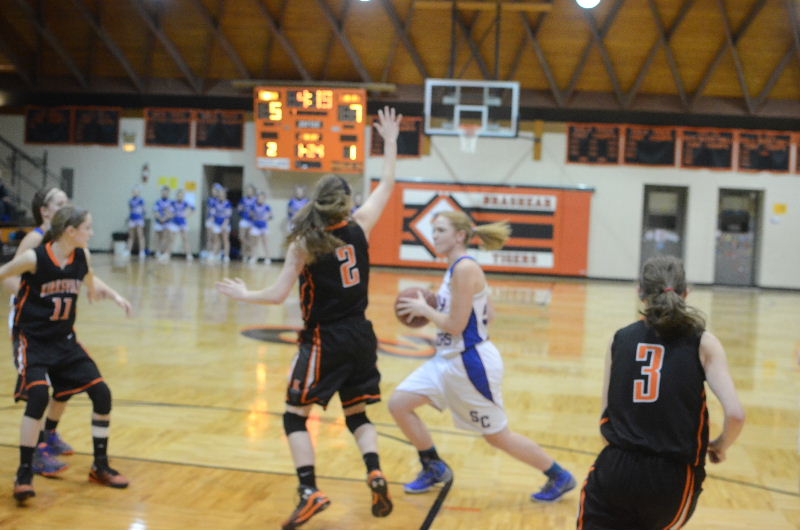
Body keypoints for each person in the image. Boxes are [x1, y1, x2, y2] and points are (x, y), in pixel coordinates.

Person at [216, 106, 402, 530]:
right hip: (362, 336)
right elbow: (388, 183)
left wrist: (244, 294)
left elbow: (278, 295)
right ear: (347, 202)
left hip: (325, 339)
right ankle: (374, 470)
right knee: (357, 414)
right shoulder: (361, 225)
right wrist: (389, 142)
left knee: (293, 415)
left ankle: (309, 490)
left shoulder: (304, 243)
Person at [391, 211, 576, 502]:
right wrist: (444, 308)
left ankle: (558, 475)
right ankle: (433, 466)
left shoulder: (465, 269)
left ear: (460, 236)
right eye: (434, 230)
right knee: (399, 404)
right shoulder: (456, 268)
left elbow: (455, 325)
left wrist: (426, 310)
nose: (434, 235)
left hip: (471, 364)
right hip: (446, 359)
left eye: (440, 230)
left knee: (497, 436)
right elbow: (489, 311)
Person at [576, 256, 745, 530]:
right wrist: (721, 445)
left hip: (616, 469)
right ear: (686, 292)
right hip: (673, 478)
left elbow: (605, 417)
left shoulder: (619, 338)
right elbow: (736, 414)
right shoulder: (704, 342)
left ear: (639, 292)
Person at [0, 206, 133, 502]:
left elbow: (90, 281)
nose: (92, 233)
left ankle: (100, 466)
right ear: (70, 231)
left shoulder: (82, 256)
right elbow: (3, 273)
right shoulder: (34, 258)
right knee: (38, 396)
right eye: (88, 228)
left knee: (102, 394)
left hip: (65, 340)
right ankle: (24, 472)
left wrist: (113, 295)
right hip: (33, 340)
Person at [169, 189, 196, 261]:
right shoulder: (173, 203)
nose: (180, 197)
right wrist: (171, 214)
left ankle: (189, 255)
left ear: (183, 196)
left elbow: (193, 209)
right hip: (174, 222)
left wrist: (187, 215)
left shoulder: (185, 203)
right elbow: (167, 209)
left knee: (185, 239)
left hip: (182, 222)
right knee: (171, 239)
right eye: (178, 195)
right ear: (176, 196)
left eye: (181, 195)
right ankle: (167, 254)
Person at [248, 190, 273, 265]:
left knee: (265, 243)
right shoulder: (253, 206)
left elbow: (271, 216)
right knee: (254, 243)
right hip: (255, 226)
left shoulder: (267, 206)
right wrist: (254, 219)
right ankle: (254, 257)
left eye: (261, 198)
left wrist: (267, 217)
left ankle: (268, 258)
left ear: (264, 198)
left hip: (263, 226)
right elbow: (250, 216)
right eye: (258, 198)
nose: (260, 199)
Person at [210, 187, 232, 263]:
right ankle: (215, 254)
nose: (221, 196)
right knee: (216, 239)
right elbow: (212, 215)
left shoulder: (228, 203)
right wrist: (212, 224)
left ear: (225, 195)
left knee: (225, 240)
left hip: (225, 224)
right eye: (219, 194)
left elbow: (228, 216)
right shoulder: (214, 203)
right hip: (216, 223)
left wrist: (224, 225)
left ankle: (226, 256)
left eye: (222, 194)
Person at [153, 186, 174, 262]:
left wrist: (165, 218)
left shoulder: (171, 202)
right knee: (159, 238)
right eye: (163, 192)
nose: (164, 193)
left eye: (166, 192)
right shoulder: (157, 202)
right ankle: (158, 252)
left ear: (168, 193)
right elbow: (155, 212)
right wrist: (160, 219)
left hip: (167, 222)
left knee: (167, 237)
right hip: (159, 222)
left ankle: (165, 253)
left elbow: (171, 213)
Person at [237, 184, 257, 263]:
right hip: (244, 220)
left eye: (250, 190)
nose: (249, 192)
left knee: (249, 238)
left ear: (253, 191)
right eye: (248, 190)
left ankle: (249, 255)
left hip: (251, 221)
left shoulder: (255, 200)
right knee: (241, 237)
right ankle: (246, 253)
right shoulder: (243, 199)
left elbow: (257, 211)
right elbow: (239, 209)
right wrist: (240, 209)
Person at [126, 187, 146, 260]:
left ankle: (142, 251)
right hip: (132, 219)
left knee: (140, 235)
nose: (135, 193)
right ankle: (128, 251)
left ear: (139, 192)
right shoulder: (130, 201)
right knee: (131, 236)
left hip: (139, 219)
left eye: (136, 191)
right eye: (133, 191)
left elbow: (144, 210)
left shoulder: (141, 200)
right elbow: (130, 210)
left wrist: (141, 216)